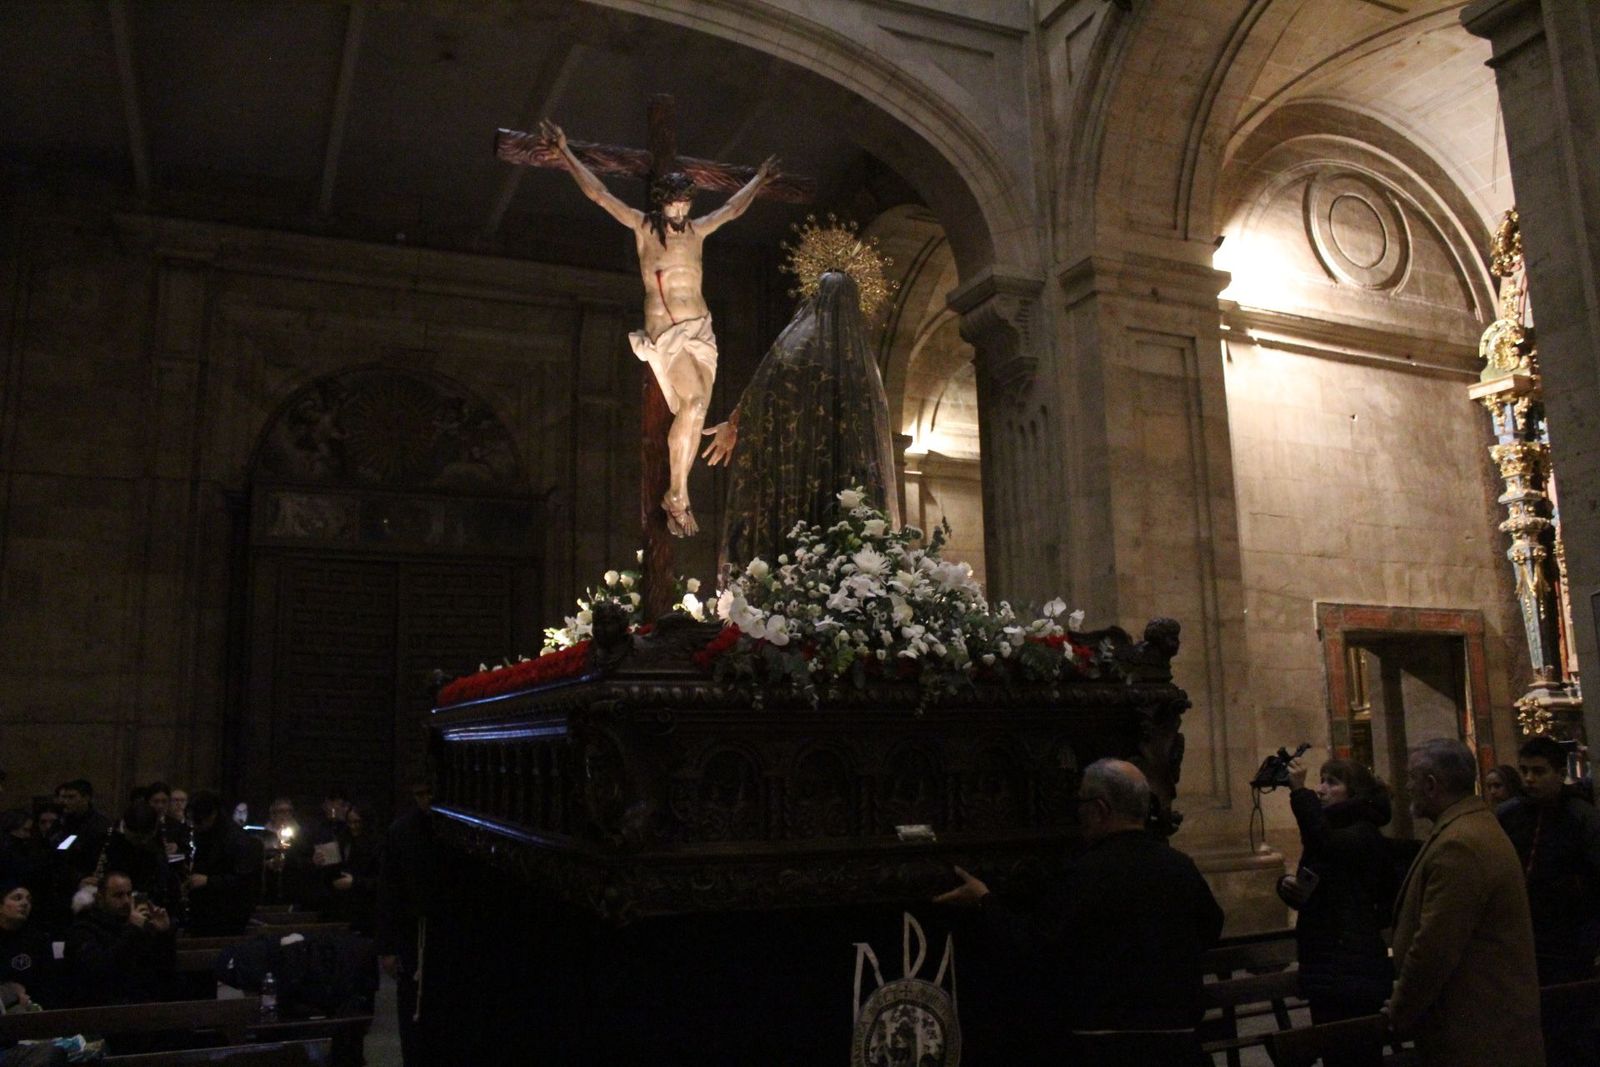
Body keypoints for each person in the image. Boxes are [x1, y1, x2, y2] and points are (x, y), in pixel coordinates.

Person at [541, 117, 778, 537]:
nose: (680, 214)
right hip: (667, 332)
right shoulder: (642, 227)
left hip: (701, 331)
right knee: (690, 408)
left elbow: (732, 209)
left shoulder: (698, 231)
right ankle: (679, 494)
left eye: (685, 207)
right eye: (673, 207)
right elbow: (599, 194)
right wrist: (564, 153)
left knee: (700, 410)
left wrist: (758, 180)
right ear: (661, 204)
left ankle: (681, 492)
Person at [935, 759, 1224, 1065]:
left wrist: (984, 899)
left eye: (1081, 802)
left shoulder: (1085, 875)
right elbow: (1211, 928)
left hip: (1102, 1050)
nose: (1078, 812)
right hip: (1180, 1048)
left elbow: (1035, 949)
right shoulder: (1180, 867)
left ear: (1100, 809)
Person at [701, 269, 901, 569]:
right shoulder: (859, 360)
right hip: (838, 475)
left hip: (796, 476)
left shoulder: (795, 347)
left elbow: (762, 391)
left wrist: (733, 424)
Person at [1385, 738, 1543, 1065]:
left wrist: (1401, 1009)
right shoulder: (1471, 825)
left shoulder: (1459, 844)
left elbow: (1435, 946)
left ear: (1431, 784)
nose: (1406, 787)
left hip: (1475, 1026)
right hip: (1481, 1018)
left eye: (1411, 778)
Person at [1278, 757, 1395, 1064]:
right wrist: (1288, 887)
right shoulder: (1332, 829)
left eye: (1332, 782)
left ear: (1352, 791)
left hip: (1351, 965)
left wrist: (1299, 793)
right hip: (1328, 963)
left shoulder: (1361, 831)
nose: (1321, 789)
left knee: (1356, 1055)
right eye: (1321, 780)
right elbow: (1320, 882)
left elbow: (1325, 844)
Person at [1497, 735, 1600, 1066]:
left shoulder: (1581, 817)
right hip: (1523, 941)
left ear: (1560, 772)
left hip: (1569, 941)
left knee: (1570, 1032)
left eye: (1539, 772)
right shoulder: (1510, 815)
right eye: (1525, 771)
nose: (1529, 779)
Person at [377, 782, 438, 1067]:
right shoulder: (401, 831)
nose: (426, 800)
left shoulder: (450, 829)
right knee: (410, 1009)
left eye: (429, 794)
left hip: (439, 934)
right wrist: (387, 947)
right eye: (420, 795)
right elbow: (389, 891)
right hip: (410, 934)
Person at [64, 871, 175, 1006]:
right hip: (101, 1008)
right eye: (118, 896)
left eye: (129, 894)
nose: (126, 901)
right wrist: (132, 930)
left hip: (142, 1004)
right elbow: (100, 972)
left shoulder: (137, 925)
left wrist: (163, 934)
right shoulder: (84, 930)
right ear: (100, 898)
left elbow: (164, 969)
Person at [185, 791, 262, 936]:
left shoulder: (236, 839)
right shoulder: (206, 833)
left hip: (226, 913)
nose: (194, 825)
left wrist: (208, 881)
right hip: (206, 909)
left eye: (198, 820)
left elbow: (245, 881)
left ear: (212, 815)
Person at [0, 880, 57, 1010]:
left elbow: (49, 983)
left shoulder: (38, 941)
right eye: (17, 898)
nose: (25, 903)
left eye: (29, 900)